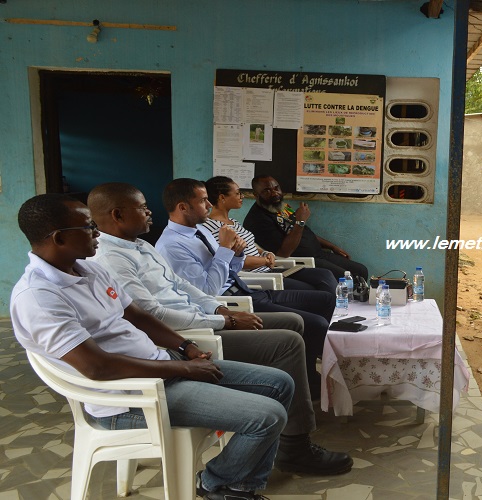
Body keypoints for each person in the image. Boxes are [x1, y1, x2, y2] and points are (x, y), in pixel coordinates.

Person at [11, 193, 293, 500]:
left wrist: (185, 347)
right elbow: (97, 367)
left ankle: (236, 485)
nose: (96, 233)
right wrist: (182, 367)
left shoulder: (88, 268)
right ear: (59, 238)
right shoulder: (39, 297)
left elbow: (137, 316)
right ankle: (215, 483)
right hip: (130, 397)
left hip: (161, 367)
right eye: (88, 227)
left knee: (280, 384)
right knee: (267, 416)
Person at [87, 182, 353, 474]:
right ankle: (295, 446)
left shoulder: (140, 245)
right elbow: (154, 314)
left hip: (206, 313)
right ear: (117, 214)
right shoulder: (116, 257)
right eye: (142, 207)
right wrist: (224, 319)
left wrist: (220, 308)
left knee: (295, 322)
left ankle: (298, 407)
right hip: (185, 334)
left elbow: (183, 286)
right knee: (288, 341)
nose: (150, 212)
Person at [154, 178, 333, 391]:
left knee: (325, 298)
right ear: (183, 207)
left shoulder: (198, 231)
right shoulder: (172, 246)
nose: (209, 205)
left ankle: (311, 364)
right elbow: (207, 291)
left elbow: (231, 268)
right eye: (203, 201)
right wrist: (226, 251)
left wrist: (236, 254)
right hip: (233, 301)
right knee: (315, 324)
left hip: (246, 289)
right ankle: (310, 379)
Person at [202, 176, 336, 293]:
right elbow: (235, 260)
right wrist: (265, 261)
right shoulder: (215, 227)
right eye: (237, 194)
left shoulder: (233, 222)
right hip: (258, 276)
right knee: (314, 289)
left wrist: (265, 253)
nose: (242, 197)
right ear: (222, 197)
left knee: (325, 276)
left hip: (269, 268)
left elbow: (250, 246)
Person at [243, 175, 368, 281]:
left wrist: (331, 246)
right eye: (267, 191)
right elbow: (283, 253)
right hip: (304, 261)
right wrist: (300, 220)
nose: (274, 193)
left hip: (319, 253)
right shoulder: (258, 220)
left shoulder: (279, 206)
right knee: (350, 279)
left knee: (361, 270)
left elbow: (303, 232)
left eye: (276, 188)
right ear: (256, 194)